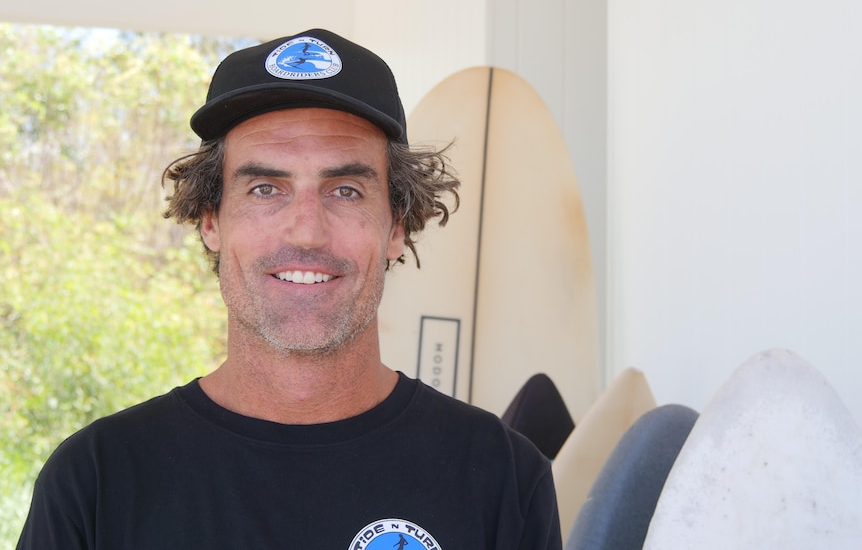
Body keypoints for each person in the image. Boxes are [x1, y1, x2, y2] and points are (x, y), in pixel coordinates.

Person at [17, 28, 562, 550]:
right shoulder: (96, 481)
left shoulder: (503, 478)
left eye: (345, 190)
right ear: (211, 219)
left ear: (396, 224)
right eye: (265, 189)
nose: (306, 230)